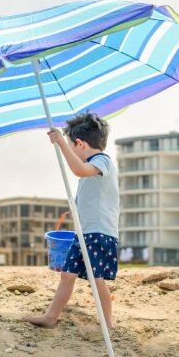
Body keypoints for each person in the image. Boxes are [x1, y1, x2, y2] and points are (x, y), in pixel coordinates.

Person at [24, 113, 120, 329]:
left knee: (97, 279)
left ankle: (107, 323)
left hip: (100, 233)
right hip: (84, 233)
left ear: (79, 143)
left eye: (71, 146)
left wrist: (60, 144)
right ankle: (51, 316)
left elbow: (78, 169)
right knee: (67, 275)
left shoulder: (101, 161)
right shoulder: (92, 168)